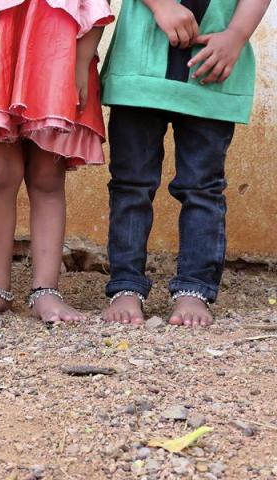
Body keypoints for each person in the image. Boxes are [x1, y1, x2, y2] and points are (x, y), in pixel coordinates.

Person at [101, 0, 271, 327]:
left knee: (202, 188)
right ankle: (125, 287)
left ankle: (195, 288)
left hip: (211, 70)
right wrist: (161, 5)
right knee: (131, 185)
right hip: (141, 66)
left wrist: (236, 34)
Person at [0, 0, 113, 323]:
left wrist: (83, 57)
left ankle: (46, 289)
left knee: (47, 174)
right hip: (4, 40)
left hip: (58, 47)